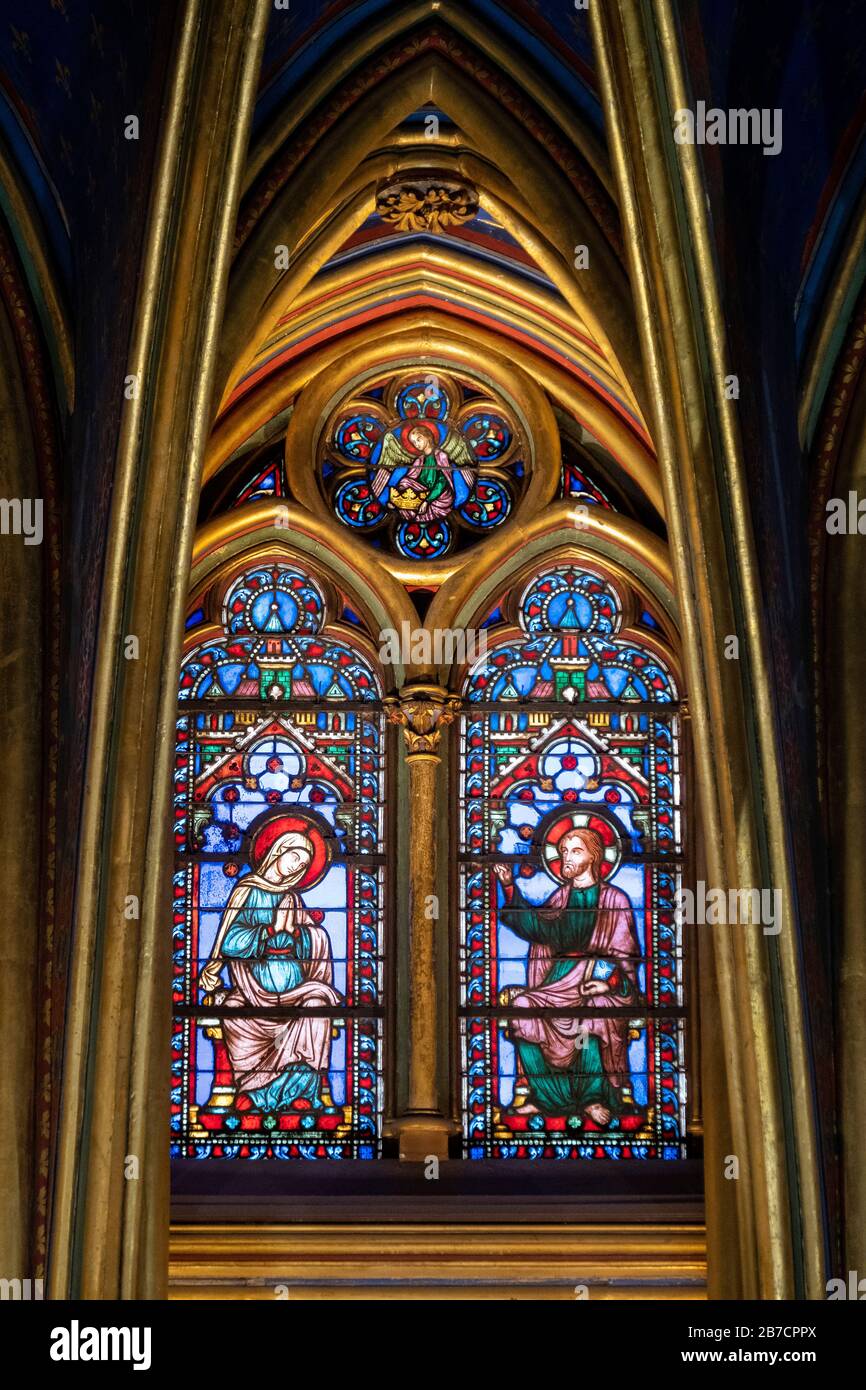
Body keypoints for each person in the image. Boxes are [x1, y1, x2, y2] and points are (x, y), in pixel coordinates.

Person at [493, 826, 640, 1127]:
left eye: (575, 850)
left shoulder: (615, 900)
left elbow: (624, 958)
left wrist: (607, 983)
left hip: (597, 976)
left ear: (594, 856)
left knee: (592, 1014)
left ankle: (592, 1097)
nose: (566, 858)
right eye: (563, 852)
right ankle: (546, 1098)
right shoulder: (561, 898)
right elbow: (537, 926)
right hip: (557, 980)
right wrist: (509, 887)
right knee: (521, 1010)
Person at [198, 830, 341, 1112]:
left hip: (295, 991)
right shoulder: (247, 891)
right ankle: (253, 1091)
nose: (295, 867)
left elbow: (310, 940)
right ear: (278, 851)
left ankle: (302, 1093)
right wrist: (266, 933)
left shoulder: (292, 899)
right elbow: (229, 941)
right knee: (234, 1013)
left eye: (302, 865)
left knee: (316, 1007)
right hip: (252, 990)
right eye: (294, 858)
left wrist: (301, 937)